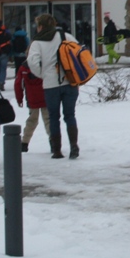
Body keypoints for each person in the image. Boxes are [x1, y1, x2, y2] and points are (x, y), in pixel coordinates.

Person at [27, 12, 80, 159]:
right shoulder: (65, 36)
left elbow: (32, 62)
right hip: (69, 81)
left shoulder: (37, 42)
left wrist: (43, 74)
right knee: (70, 115)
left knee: (53, 117)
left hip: (50, 85)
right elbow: (79, 52)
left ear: (41, 26)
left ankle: (57, 150)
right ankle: (74, 146)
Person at [14, 60, 48, 153]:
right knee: (48, 120)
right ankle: (53, 143)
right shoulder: (45, 64)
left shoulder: (23, 68)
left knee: (31, 121)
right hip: (45, 97)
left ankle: (24, 143)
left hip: (32, 98)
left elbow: (18, 84)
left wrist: (19, 99)